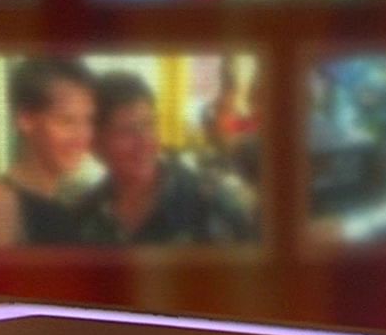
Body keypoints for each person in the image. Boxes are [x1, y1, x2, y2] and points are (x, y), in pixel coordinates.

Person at [78, 71, 256, 246]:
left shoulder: (207, 202)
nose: (144, 141)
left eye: (149, 124)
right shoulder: (86, 217)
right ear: (96, 144)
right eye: (126, 131)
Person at [0, 57, 95, 247]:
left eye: (88, 121)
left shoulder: (65, 201)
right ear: (25, 119)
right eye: (66, 121)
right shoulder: (0, 204)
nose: (82, 137)